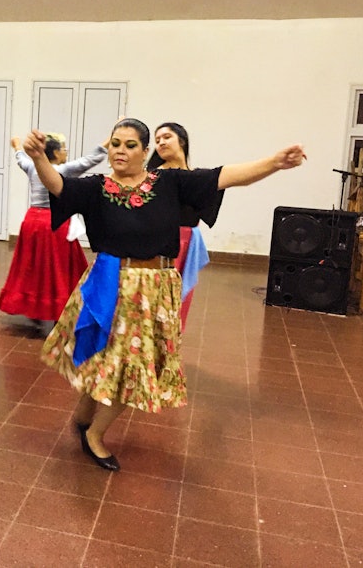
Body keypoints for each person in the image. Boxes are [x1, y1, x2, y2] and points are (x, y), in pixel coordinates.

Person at [24, 118, 305, 471]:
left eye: (130, 145)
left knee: (132, 368)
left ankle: (90, 428)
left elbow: (227, 176)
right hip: (109, 283)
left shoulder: (168, 182)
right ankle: (89, 428)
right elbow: (60, 186)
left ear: (146, 151)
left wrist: (274, 163)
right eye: (115, 143)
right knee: (105, 359)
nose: (120, 151)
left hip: (152, 289)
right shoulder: (97, 187)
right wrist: (39, 159)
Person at [0, 133, 107, 329]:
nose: (66, 153)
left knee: (33, 266)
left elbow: (21, 158)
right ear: (55, 152)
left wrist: (16, 146)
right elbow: (92, 159)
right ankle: (59, 306)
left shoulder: (32, 166)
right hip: (53, 222)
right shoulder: (62, 169)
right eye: (63, 149)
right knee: (57, 268)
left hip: (32, 222)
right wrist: (112, 136)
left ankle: (34, 306)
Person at [146, 122, 221, 330]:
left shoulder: (196, 176)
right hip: (160, 242)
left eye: (166, 137)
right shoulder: (152, 176)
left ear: (182, 141)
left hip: (188, 243)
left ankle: (170, 348)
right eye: (157, 139)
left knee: (180, 300)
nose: (161, 142)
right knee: (157, 298)